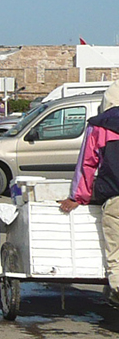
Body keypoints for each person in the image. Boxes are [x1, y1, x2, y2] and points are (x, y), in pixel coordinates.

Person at [61, 81, 119, 307]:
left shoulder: (100, 126)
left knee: (116, 256)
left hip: (116, 199)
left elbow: (86, 165)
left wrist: (77, 197)